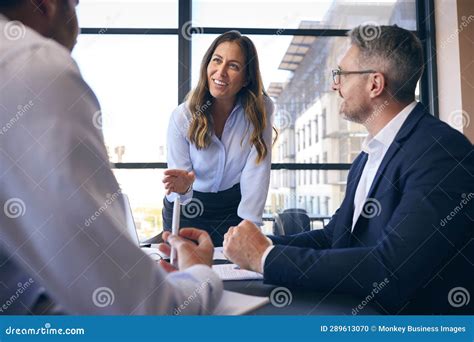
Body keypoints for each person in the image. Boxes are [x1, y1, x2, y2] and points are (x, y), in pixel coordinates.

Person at [223, 25, 474, 314]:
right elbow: (334, 237)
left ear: (375, 84)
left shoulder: (440, 152)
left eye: (341, 74)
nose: (335, 85)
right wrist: (249, 246)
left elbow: (392, 270)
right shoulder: (367, 157)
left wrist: (265, 257)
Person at [0, 0, 222, 315]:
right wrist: (201, 275)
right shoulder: (31, 63)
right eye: (75, 4)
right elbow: (142, 314)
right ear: (46, 5)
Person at [162, 31, 275, 247]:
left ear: (247, 78)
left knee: (236, 275)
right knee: (185, 275)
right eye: (217, 60)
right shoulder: (182, 116)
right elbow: (180, 192)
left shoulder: (261, 110)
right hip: (189, 207)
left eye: (233, 66)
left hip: (233, 208)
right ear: (207, 65)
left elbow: (257, 170)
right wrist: (184, 188)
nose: (220, 72)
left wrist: (251, 225)